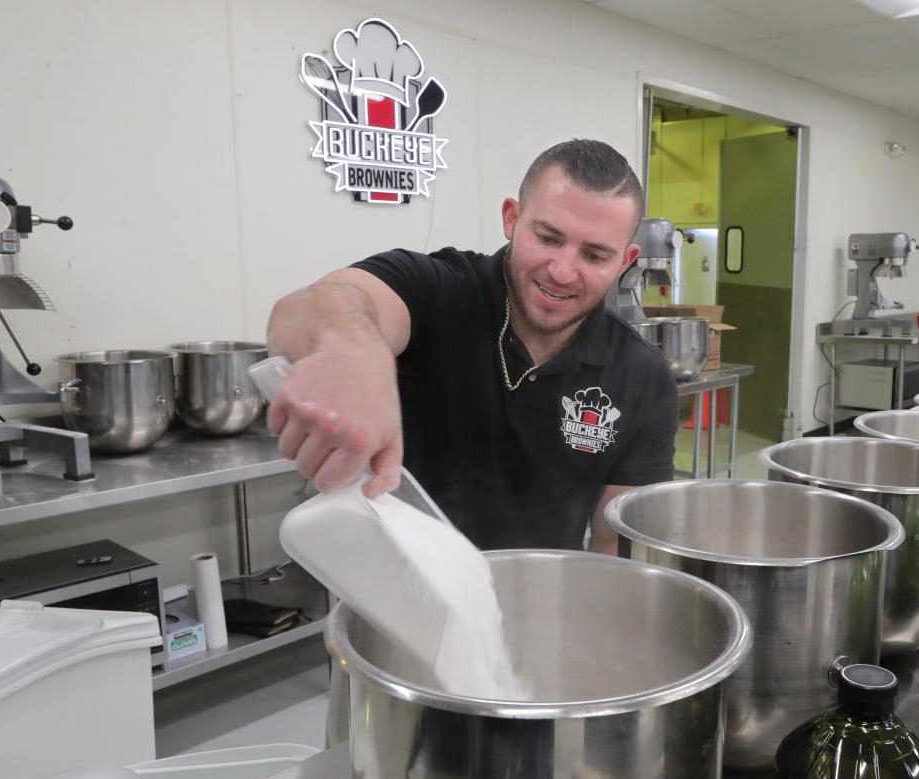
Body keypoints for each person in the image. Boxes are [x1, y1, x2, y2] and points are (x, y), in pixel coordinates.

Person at [266, 138, 678, 554]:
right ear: (512, 219)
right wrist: (353, 353)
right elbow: (316, 305)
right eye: (549, 238)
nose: (563, 272)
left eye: (593, 255)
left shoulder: (642, 377)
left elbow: (616, 543)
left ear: (624, 261)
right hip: (392, 592)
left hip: (546, 601)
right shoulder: (439, 290)